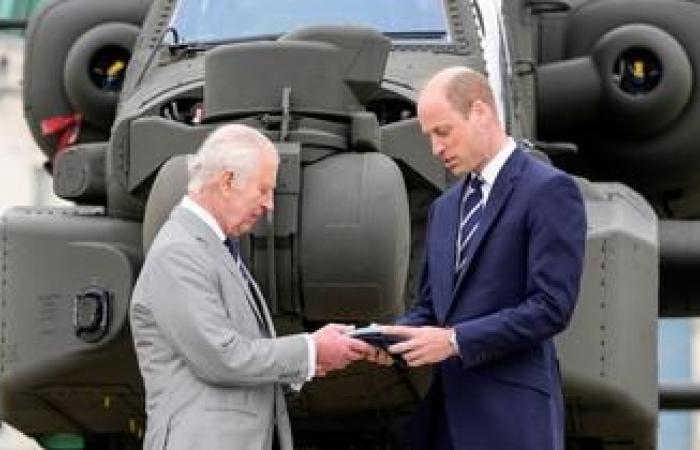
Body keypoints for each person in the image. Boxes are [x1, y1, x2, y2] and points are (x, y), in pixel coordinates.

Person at [129, 124, 371, 450]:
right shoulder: (180, 252)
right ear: (228, 181)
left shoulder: (215, 249)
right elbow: (221, 357)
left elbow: (241, 357)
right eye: (263, 189)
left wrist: (313, 362)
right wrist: (310, 350)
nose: (269, 204)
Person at [381, 67, 587, 450]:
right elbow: (431, 308)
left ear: (480, 112)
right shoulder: (444, 209)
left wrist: (455, 341)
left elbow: (550, 307)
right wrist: (391, 339)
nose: (436, 149)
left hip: (513, 420)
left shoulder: (549, 190)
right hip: (444, 422)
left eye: (442, 132)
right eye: (429, 137)